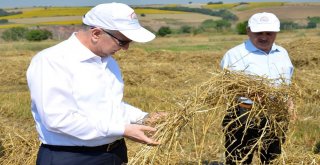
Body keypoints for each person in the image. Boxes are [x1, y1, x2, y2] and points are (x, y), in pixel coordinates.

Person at [27, 3, 163, 165]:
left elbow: (110, 106)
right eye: (122, 41)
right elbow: (58, 119)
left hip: (114, 154)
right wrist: (123, 129)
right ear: (96, 33)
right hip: (72, 157)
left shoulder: (108, 62)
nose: (126, 48)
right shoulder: (52, 61)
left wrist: (143, 118)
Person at [220, 12, 294, 164]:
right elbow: (225, 87)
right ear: (248, 31)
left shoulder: (282, 53)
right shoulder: (235, 54)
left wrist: (289, 103)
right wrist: (249, 94)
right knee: (239, 158)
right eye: (259, 32)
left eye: (269, 33)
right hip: (244, 111)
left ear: (276, 33)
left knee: (272, 157)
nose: (264, 37)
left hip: (276, 113)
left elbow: (287, 83)